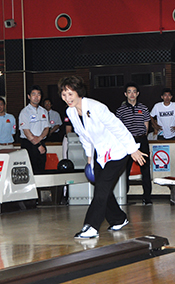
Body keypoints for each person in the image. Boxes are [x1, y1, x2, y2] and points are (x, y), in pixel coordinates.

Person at [58, 76, 147, 239]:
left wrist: (132, 149)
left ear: (78, 92)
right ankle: (118, 219)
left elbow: (118, 127)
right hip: (100, 153)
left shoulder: (95, 107)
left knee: (102, 188)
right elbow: (84, 136)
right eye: (64, 95)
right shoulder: (70, 112)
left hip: (118, 151)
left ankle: (91, 226)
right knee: (101, 187)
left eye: (70, 94)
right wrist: (90, 158)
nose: (67, 98)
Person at [116, 82, 153, 205]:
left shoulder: (144, 108)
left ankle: (147, 198)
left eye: (134, 92)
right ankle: (123, 196)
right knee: (124, 169)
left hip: (141, 140)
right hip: (127, 142)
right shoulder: (120, 110)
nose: (132, 94)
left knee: (145, 169)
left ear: (137, 94)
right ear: (126, 94)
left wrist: (142, 137)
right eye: (129, 92)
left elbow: (146, 126)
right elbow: (118, 128)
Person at [18, 85, 50, 173]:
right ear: (29, 96)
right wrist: (38, 145)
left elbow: (46, 128)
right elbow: (27, 132)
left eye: (38, 94)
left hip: (41, 143)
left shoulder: (43, 111)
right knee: (30, 171)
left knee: (41, 170)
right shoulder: (24, 112)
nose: (36, 97)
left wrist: (40, 139)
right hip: (29, 145)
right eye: (34, 94)